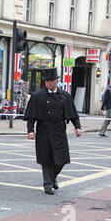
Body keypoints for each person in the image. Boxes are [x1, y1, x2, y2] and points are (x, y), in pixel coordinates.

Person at [24, 67, 82, 195]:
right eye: (47, 81)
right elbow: (31, 116)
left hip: (60, 131)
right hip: (43, 130)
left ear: (57, 81)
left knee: (61, 160)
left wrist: (77, 127)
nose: (50, 83)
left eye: (52, 81)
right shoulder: (37, 96)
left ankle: (53, 177)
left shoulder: (65, 96)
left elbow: (73, 114)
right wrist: (30, 130)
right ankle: (47, 184)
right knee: (46, 159)